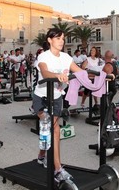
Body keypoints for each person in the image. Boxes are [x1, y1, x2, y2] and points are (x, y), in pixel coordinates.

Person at [32, 28, 81, 184]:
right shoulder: (43, 56)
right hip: (41, 97)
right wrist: (57, 75)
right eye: (58, 38)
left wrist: (102, 74)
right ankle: (58, 169)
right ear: (50, 40)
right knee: (54, 128)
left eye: (63, 38)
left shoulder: (66, 57)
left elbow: (80, 72)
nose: (61, 41)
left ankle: (41, 155)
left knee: (48, 128)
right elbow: (45, 73)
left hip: (57, 97)